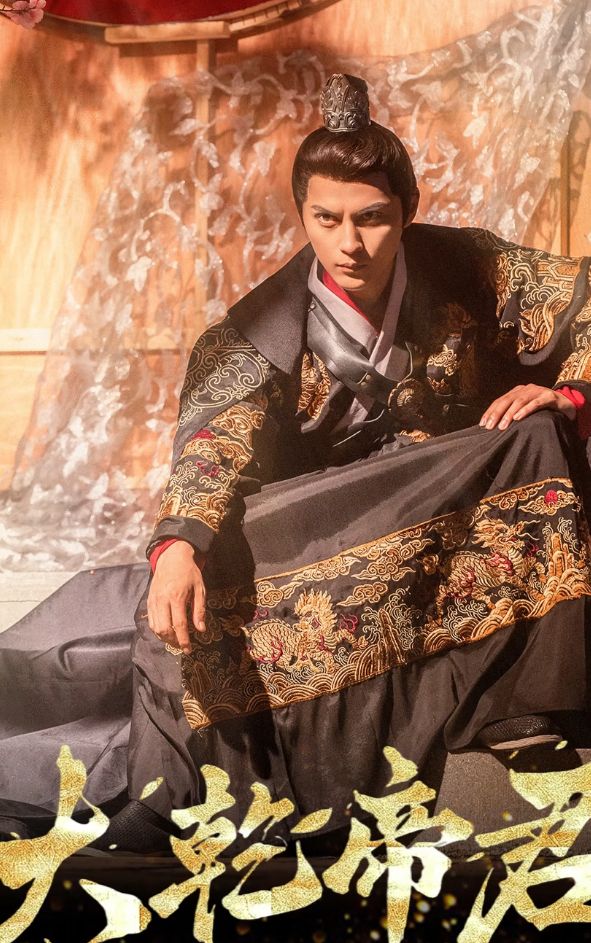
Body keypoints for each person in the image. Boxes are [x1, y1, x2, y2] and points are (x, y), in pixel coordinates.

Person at [2, 73, 591, 854]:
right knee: (191, 599)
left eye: (372, 218)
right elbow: (214, 440)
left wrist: (570, 392)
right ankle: (185, 795)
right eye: (327, 218)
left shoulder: (468, 266)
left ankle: (524, 711)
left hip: (458, 502)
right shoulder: (257, 331)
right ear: (303, 214)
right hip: (333, 520)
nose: (350, 243)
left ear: (407, 210)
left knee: (538, 437)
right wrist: (178, 543)